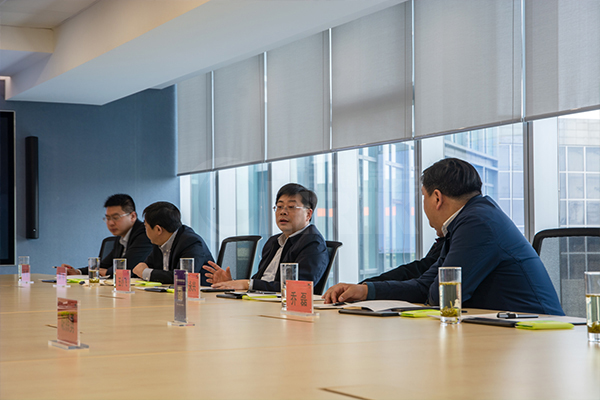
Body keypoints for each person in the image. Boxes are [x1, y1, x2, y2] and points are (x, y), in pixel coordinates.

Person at [324, 158, 564, 316]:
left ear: (437, 198)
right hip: (509, 330)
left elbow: (441, 297)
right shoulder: (470, 219)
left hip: (538, 334)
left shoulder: (478, 223)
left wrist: (371, 289)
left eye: (423, 197)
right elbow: (425, 285)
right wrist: (365, 291)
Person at [203, 183, 329, 292]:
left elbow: (297, 287)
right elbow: (261, 280)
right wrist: (231, 283)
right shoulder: (274, 242)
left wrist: (247, 284)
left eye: (291, 207)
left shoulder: (313, 243)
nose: (283, 212)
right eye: (279, 207)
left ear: (308, 214)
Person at [63, 194, 152, 277]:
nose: (110, 223)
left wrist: (105, 272)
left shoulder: (145, 234)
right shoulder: (121, 237)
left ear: (132, 216)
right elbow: (105, 264)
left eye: (116, 217)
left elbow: (125, 269)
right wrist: (78, 272)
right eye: (108, 218)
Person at [132, 201, 214, 285]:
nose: (145, 230)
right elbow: (145, 267)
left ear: (158, 230)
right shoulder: (159, 242)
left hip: (200, 291)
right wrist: (144, 271)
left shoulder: (191, 242)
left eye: (146, 226)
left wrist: (145, 272)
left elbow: (183, 277)